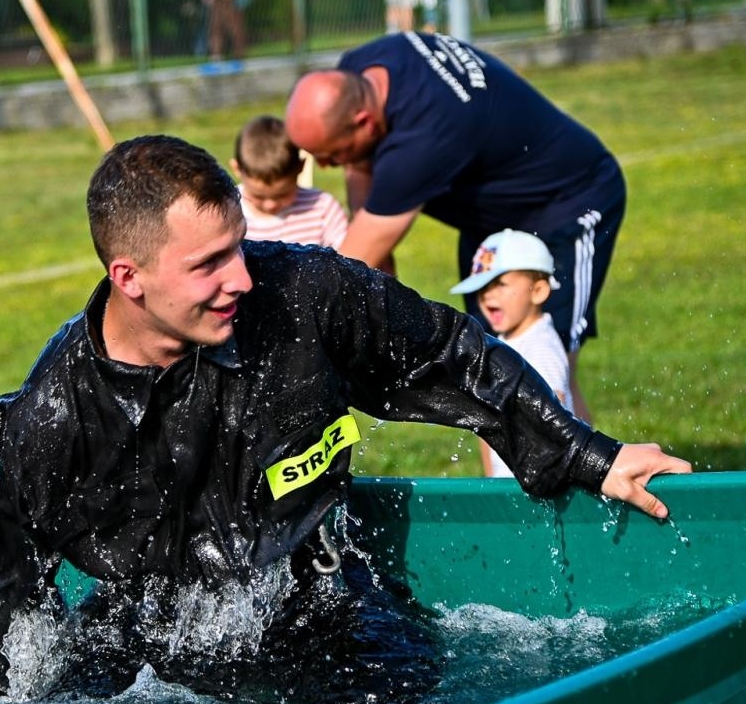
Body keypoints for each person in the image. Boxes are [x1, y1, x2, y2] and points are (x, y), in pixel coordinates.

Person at [0, 134, 688, 704]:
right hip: (149, 650)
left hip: (316, 606)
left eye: (241, 246)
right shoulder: (53, 416)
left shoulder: (305, 295)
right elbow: (12, 593)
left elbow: (449, 354)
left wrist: (589, 456)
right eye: (210, 263)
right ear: (130, 278)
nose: (243, 279)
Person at [283, 32, 627, 420]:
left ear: (363, 122)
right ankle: (506, 481)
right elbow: (361, 173)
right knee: (491, 366)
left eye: (333, 155)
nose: (327, 167)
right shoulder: (364, 65)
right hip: (492, 218)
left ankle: (585, 476)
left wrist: (291, 336)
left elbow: (347, 268)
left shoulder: (422, 138)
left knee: (544, 363)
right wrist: (376, 255)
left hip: (567, 200)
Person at [448, 229, 571, 479]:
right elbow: (484, 424)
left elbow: (551, 421)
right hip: (511, 485)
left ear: (538, 291)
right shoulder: (499, 345)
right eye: (482, 287)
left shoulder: (540, 347)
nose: (487, 295)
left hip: (542, 485)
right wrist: (492, 480)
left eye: (500, 284)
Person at [231, 114, 348, 250]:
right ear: (237, 168)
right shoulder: (228, 210)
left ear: (301, 167)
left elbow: (349, 257)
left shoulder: (323, 209)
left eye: (282, 195)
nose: (270, 205)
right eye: (258, 196)